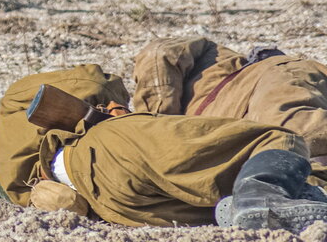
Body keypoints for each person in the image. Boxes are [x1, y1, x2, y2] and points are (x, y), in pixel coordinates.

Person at [0, 64, 327, 231]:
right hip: (113, 150)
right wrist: (119, 112)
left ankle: (269, 200)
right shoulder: (290, 68)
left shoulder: (13, 160)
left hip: (109, 205)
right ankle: (265, 195)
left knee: (223, 204)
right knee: (278, 139)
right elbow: (93, 82)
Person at [133, 37, 327, 160]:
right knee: (285, 157)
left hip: (269, 78)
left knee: (294, 135)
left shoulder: (214, 61)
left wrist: (154, 129)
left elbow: (159, 53)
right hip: (256, 114)